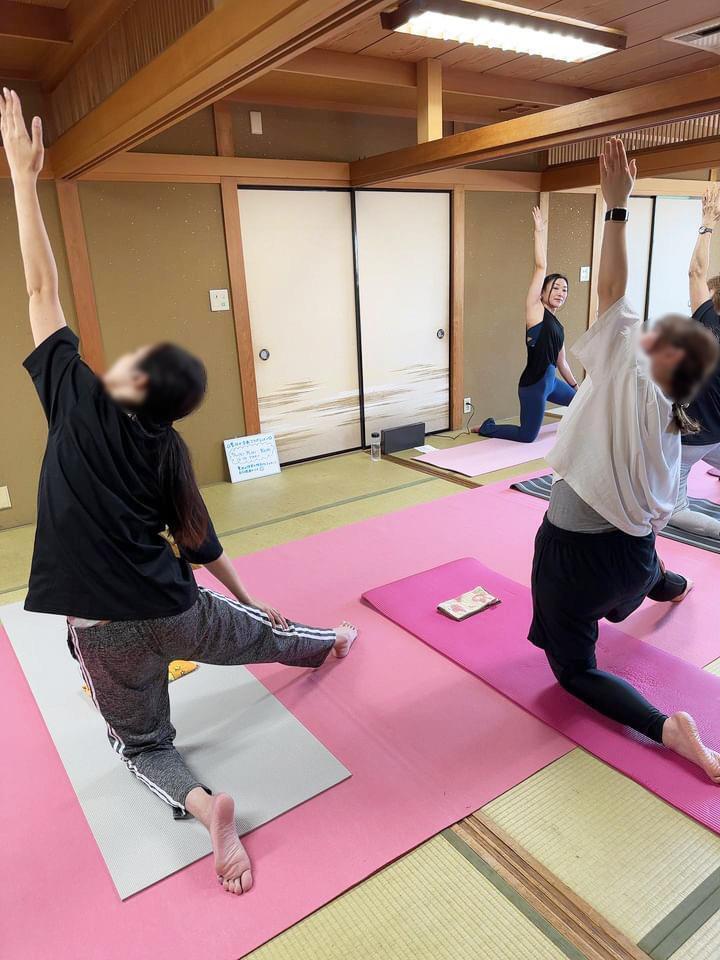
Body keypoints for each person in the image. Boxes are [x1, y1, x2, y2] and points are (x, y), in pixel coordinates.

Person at [2, 88, 357, 896]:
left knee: (141, 743)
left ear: (128, 378)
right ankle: (329, 639)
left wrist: (25, 180)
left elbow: (37, 289)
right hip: (176, 606)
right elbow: (201, 544)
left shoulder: (75, 396)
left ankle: (204, 810)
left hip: (104, 631)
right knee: (260, 635)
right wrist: (248, 599)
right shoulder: (169, 450)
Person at [530, 138, 720, 781]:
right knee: (637, 569)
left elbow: (612, 288)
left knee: (573, 669)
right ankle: (668, 584)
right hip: (633, 558)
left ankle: (666, 729)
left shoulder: (626, 369)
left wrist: (617, 207)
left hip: (579, 559)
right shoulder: (680, 424)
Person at [474, 205, 579, 442]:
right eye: (555, 287)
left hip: (551, 383)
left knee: (580, 403)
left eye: (565, 289)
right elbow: (541, 266)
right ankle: (487, 428)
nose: (561, 292)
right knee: (528, 436)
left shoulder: (558, 326)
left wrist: (575, 387)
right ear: (542, 292)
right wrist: (538, 232)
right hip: (533, 386)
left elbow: (562, 361)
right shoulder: (535, 310)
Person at [670, 183, 720, 537]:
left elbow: (695, 272)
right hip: (717, 435)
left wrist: (707, 224)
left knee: (672, 510)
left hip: (694, 438)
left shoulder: (707, 322)